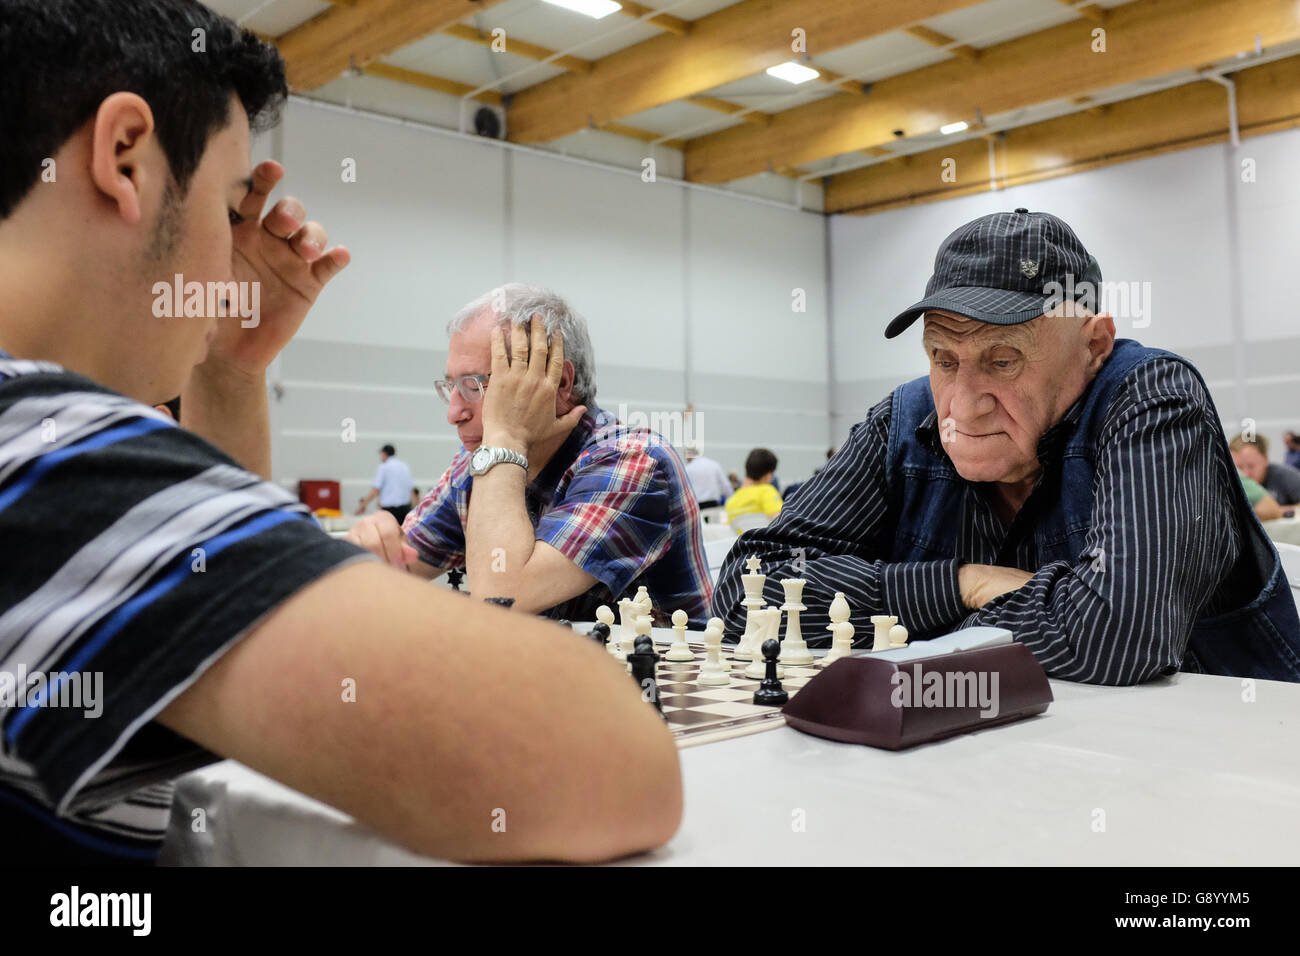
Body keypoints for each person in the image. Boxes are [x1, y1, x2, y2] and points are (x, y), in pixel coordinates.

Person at [0, 0, 681, 865]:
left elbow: (200, 621)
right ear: (125, 157)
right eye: (227, 203)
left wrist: (229, 372)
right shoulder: (46, 455)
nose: (228, 260)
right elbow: (610, 764)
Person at [714, 208, 1300, 685]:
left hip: (1221, 766)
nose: (964, 404)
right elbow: (746, 591)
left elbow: (1120, 638)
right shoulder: (902, 420)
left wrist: (907, 610)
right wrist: (962, 583)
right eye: (943, 359)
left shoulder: (1151, 400)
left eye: (1002, 360)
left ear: (1093, 345)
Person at [364, 284, 712, 626]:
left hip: (668, 680)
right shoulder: (479, 459)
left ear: (558, 383)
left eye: (475, 386)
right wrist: (375, 540)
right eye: (451, 387)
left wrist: (506, 436)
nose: (454, 413)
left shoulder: (633, 460)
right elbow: (398, 565)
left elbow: (501, 596)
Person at [1229, 434, 1300, 510]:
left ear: (1266, 459)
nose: (1246, 474)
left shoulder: (1287, 476)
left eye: (1251, 466)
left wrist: (1277, 512)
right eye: (1239, 468)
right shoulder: (1228, 483)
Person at [724, 448, 783, 530]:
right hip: (765, 541)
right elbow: (781, 523)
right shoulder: (767, 491)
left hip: (741, 542)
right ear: (768, 475)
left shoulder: (731, 501)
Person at [356, 443, 414, 525]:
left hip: (389, 511)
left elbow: (375, 490)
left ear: (383, 453)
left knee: (389, 535)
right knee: (402, 534)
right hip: (405, 509)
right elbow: (411, 489)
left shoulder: (383, 467)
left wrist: (363, 505)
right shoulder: (404, 466)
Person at [684, 443, 731, 508]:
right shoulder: (714, 464)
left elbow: (684, 490)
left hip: (697, 506)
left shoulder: (687, 469)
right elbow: (726, 486)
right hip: (714, 505)